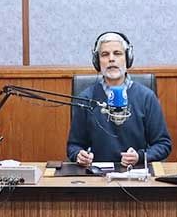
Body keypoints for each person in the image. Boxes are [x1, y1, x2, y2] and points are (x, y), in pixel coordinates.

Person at [67, 32, 171, 168]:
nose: (111, 59)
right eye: (105, 54)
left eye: (117, 53)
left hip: (135, 175)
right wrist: (79, 155)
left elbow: (163, 144)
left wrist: (140, 157)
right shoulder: (86, 98)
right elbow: (74, 146)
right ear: (97, 61)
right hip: (98, 176)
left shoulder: (146, 97)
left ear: (128, 59)